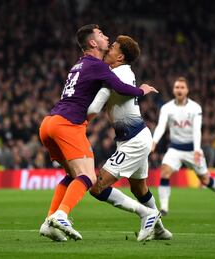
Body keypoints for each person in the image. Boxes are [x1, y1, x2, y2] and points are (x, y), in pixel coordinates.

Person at [39, 24, 158, 242]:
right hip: (68, 125)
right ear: (93, 43)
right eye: (102, 36)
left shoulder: (79, 64)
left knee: (73, 175)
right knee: (88, 178)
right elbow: (118, 91)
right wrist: (142, 90)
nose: (106, 38)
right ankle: (62, 215)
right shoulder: (102, 67)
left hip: (48, 123)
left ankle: (49, 222)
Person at [87, 35, 172, 242]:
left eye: (113, 48)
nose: (108, 50)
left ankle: (148, 215)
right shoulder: (122, 72)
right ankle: (159, 228)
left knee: (98, 187)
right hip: (136, 137)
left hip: (133, 140)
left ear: (121, 56)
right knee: (138, 188)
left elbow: (94, 108)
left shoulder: (116, 74)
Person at [152, 77, 215, 216]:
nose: (179, 90)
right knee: (164, 171)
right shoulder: (167, 108)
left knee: (205, 179)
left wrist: (196, 150)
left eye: (182, 87)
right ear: (173, 90)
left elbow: (196, 130)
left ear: (187, 90)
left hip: (192, 149)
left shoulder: (195, 108)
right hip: (175, 148)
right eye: (177, 87)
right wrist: (154, 141)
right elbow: (161, 126)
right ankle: (164, 208)